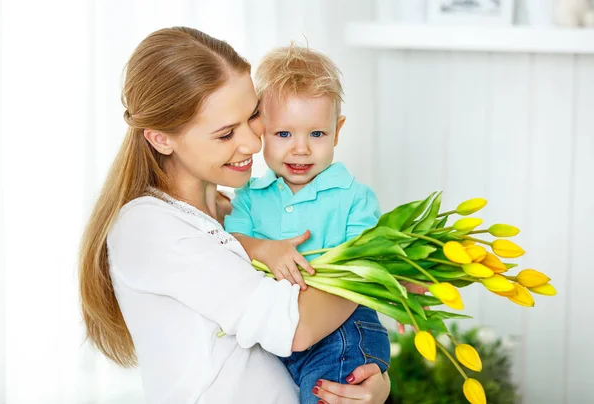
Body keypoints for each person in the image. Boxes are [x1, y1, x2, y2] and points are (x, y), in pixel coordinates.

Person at [78, 26, 391, 404]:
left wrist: (367, 385)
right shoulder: (148, 227)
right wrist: (384, 271)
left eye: (253, 116)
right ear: (161, 138)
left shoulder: (239, 212)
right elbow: (296, 327)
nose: (252, 142)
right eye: (226, 133)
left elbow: (297, 353)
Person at [224, 45, 390, 404]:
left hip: (342, 334)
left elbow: (370, 261)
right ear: (260, 131)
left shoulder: (353, 198)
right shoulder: (251, 196)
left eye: (317, 134)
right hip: (279, 336)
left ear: (337, 130)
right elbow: (231, 243)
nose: (301, 149)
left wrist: (396, 285)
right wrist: (263, 248)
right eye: (284, 134)